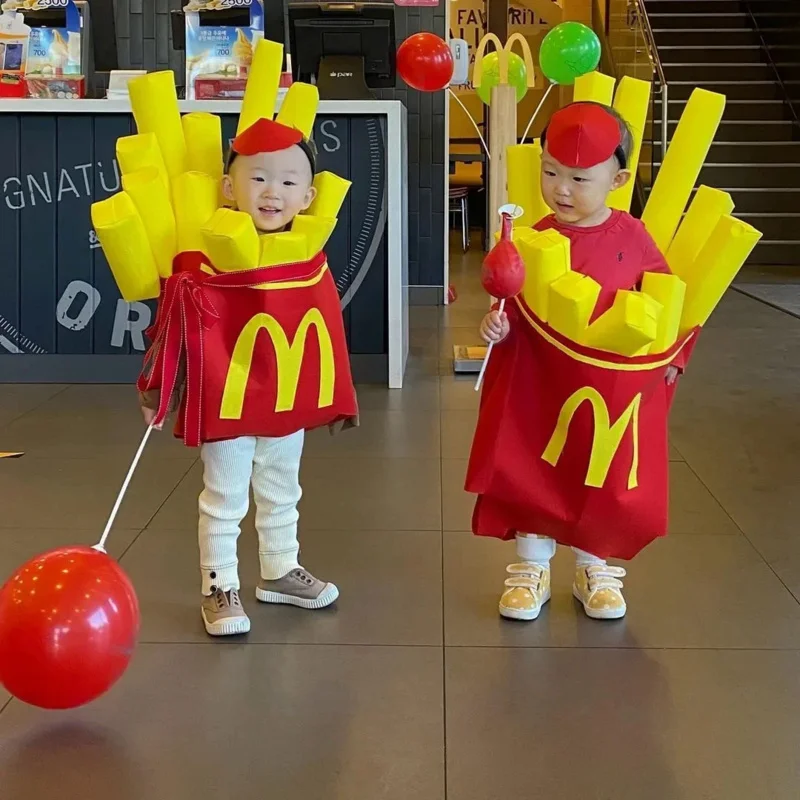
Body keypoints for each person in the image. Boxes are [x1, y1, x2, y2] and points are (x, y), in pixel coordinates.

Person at [140, 118, 357, 637]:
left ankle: (281, 569)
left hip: (283, 399)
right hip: (228, 396)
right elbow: (176, 325)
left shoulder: (309, 259)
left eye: (287, 182)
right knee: (225, 493)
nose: (272, 192)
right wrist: (158, 388)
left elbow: (323, 331)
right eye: (257, 178)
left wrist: (332, 396)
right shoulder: (204, 258)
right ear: (228, 188)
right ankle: (219, 585)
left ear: (307, 196)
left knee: (283, 485)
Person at [476, 102, 685, 623]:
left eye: (578, 178)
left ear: (617, 179)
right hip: (541, 383)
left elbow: (669, 302)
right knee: (533, 466)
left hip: (606, 392)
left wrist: (672, 355)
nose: (561, 189)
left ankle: (596, 565)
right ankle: (530, 567)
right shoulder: (530, 238)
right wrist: (496, 328)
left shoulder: (634, 238)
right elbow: (511, 304)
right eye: (550, 172)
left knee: (600, 473)